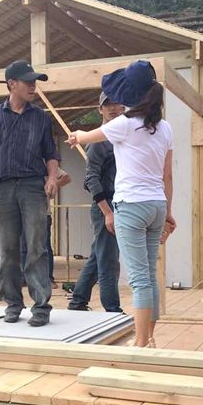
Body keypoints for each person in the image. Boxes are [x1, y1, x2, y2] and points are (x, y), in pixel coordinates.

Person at [66, 60, 176, 348]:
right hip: (156, 205)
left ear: (130, 93)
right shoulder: (165, 128)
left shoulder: (124, 124)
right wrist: (168, 212)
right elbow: (167, 175)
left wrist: (75, 136)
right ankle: (149, 338)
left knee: (139, 280)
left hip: (130, 206)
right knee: (150, 276)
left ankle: (140, 343)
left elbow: (86, 137)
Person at [0, 60, 60, 327]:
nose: (33, 86)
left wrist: (52, 178)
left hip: (33, 186)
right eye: (28, 81)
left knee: (37, 246)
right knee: (8, 249)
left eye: (35, 81)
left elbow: (51, 153)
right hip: (2, 189)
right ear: (12, 84)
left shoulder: (41, 118)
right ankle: (12, 303)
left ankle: (41, 306)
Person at [68, 92, 125, 312]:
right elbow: (91, 179)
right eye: (107, 105)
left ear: (123, 108)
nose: (112, 108)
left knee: (98, 255)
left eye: (116, 104)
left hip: (118, 202)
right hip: (105, 204)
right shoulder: (98, 142)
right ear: (100, 109)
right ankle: (112, 309)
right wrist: (107, 212)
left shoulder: (122, 137)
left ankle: (78, 300)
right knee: (109, 259)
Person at [21, 165, 71, 289]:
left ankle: (48, 278)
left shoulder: (44, 164)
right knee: (24, 247)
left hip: (43, 212)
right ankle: (25, 277)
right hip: (24, 212)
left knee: (45, 247)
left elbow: (66, 178)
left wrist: (52, 185)